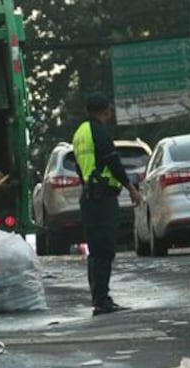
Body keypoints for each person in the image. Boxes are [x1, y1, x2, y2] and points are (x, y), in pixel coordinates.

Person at [71, 93, 140, 316]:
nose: (110, 115)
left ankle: (98, 298)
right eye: (109, 111)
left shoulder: (80, 132)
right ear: (104, 111)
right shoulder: (99, 132)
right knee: (105, 249)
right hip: (101, 198)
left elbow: (80, 167)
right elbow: (113, 161)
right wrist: (131, 188)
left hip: (90, 196)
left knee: (96, 250)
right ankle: (102, 300)